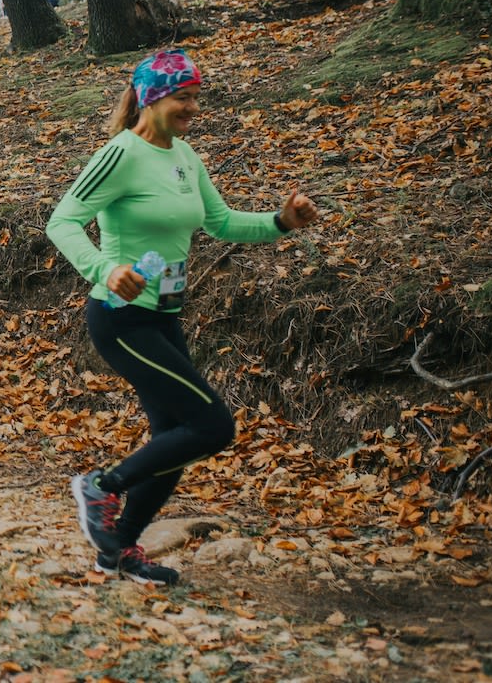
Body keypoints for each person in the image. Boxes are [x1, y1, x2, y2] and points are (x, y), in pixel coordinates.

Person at [45, 49, 318, 585]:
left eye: (196, 97)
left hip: (165, 315)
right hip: (121, 315)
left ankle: (118, 550)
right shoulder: (120, 154)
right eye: (182, 97)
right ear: (151, 97)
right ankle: (102, 485)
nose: (192, 107)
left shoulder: (185, 157)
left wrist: (280, 221)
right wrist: (105, 268)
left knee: (172, 434)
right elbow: (63, 221)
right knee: (212, 424)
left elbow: (219, 223)